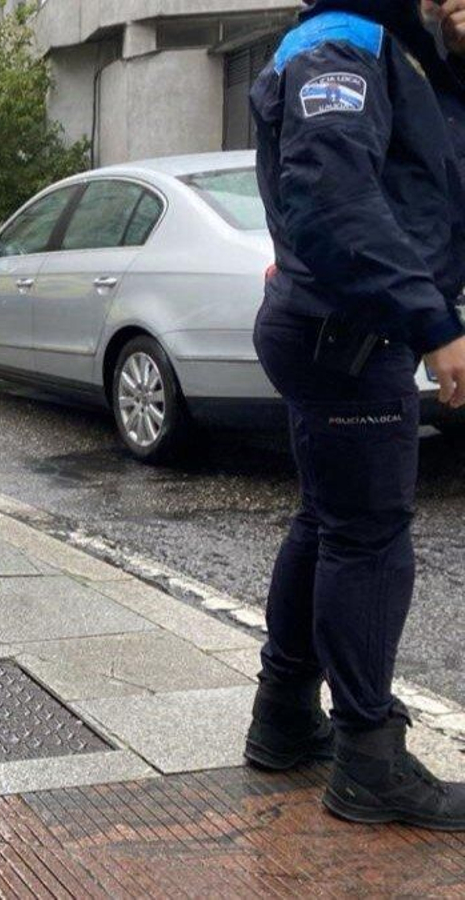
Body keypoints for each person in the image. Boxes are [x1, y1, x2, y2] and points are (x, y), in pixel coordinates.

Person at [246, 0, 465, 830]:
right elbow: (330, 193)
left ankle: (284, 720)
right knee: (370, 539)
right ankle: (369, 761)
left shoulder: (394, 46)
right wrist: (434, 322)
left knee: (330, 523)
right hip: (350, 329)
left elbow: (424, 179)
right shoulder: (346, 38)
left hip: (339, 322)